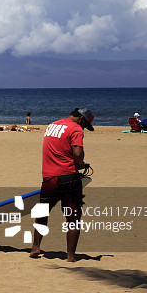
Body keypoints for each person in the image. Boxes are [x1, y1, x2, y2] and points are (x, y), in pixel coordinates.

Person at [30, 107, 94, 262]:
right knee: (72, 217)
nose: (84, 128)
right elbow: (77, 154)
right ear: (82, 119)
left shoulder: (52, 126)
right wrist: (81, 164)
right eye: (85, 125)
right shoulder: (76, 129)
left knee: (42, 213)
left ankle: (35, 247)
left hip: (49, 178)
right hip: (69, 178)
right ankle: (70, 256)